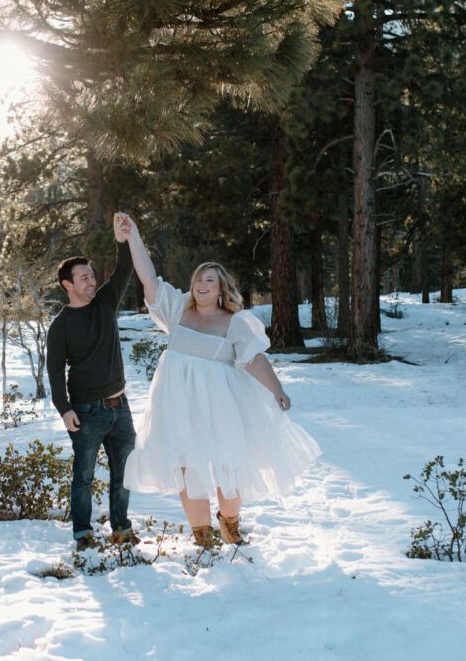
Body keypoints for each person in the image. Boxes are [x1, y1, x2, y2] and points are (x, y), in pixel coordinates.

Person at [120, 215, 321, 547]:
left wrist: (277, 390)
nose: (202, 285)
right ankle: (202, 536)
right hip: (178, 405)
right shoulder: (176, 311)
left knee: (227, 467)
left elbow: (254, 359)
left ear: (221, 288)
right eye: (199, 279)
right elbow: (149, 280)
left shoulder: (235, 322)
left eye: (210, 281)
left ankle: (230, 523)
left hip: (219, 406)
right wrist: (133, 237)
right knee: (187, 468)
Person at [47, 213, 138, 550]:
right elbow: (55, 371)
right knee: (83, 477)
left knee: (124, 474)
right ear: (67, 284)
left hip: (121, 407)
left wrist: (121, 239)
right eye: (84, 277)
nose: (91, 280)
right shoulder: (61, 326)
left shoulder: (105, 304)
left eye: (92, 275)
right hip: (86, 412)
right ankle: (83, 534)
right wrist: (64, 409)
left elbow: (124, 270)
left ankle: (122, 530)